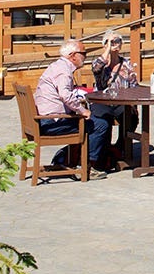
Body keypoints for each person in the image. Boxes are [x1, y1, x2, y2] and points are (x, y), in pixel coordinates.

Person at [33, 39, 117, 178]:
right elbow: (65, 95)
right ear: (73, 56)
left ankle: (81, 161)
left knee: (94, 121)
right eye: (83, 53)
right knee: (100, 125)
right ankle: (87, 167)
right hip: (51, 122)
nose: (85, 57)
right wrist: (83, 110)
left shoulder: (57, 66)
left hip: (45, 119)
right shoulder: (63, 71)